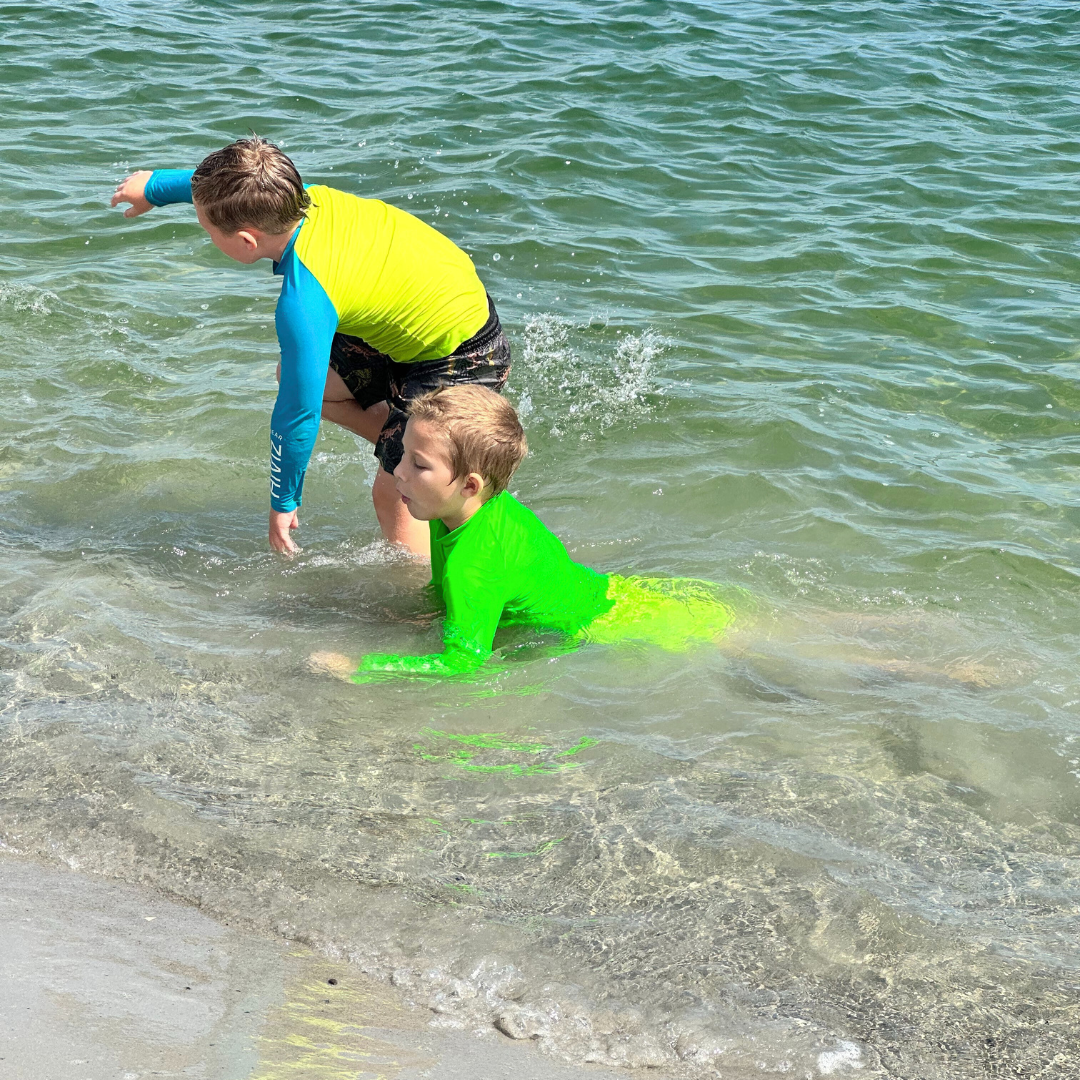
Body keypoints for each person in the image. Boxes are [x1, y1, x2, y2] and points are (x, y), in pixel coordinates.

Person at [111, 137, 511, 557]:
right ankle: (409, 438)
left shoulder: (304, 299)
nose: (205, 231)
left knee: (396, 488)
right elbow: (232, 187)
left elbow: (295, 411)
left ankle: (416, 597)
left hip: (464, 351)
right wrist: (154, 188)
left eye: (208, 230)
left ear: (247, 242)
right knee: (303, 376)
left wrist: (283, 501)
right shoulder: (304, 199)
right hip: (420, 325)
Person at [311, 385, 741, 681]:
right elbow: (448, 591)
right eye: (402, 454)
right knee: (744, 630)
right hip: (617, 595)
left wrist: (362, 666)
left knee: (743, 654)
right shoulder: (477, 510)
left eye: (418, 464)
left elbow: (463, 665)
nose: (398, 471)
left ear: (470, 485)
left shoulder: (472, 564)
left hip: (618, 629)